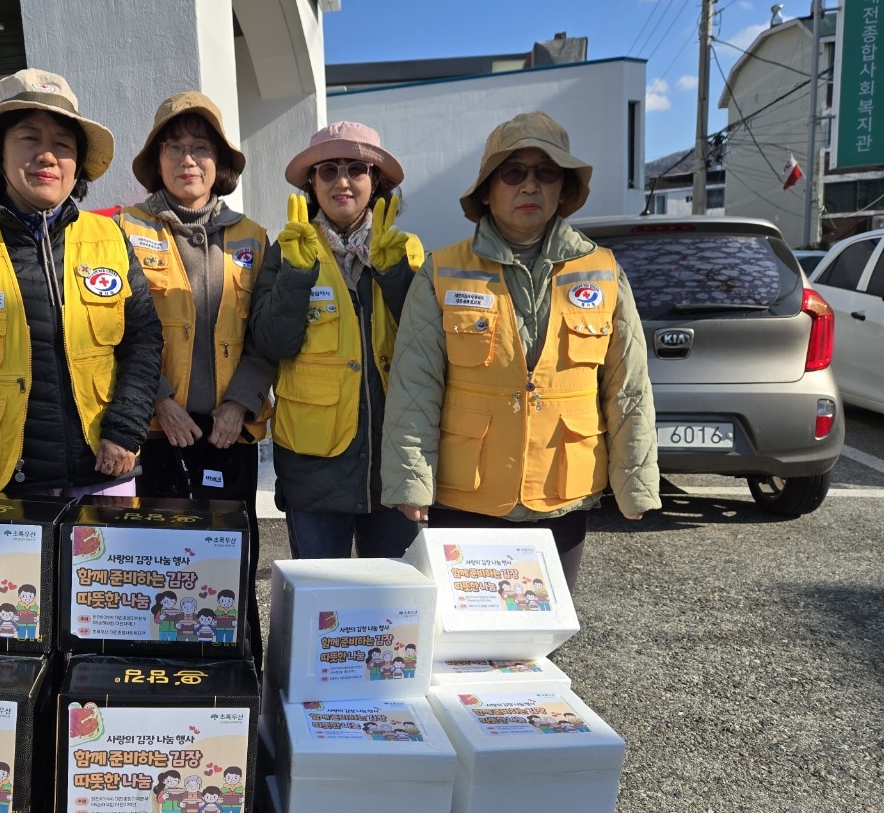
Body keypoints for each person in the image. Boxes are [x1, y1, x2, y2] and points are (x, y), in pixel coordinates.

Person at [380, 112, 660, 590]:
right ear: (488, 190)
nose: (530, 185)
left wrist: (636, 482)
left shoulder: (603, 270)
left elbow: (628, 387)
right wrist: (412, 481)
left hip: (563, 495)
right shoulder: (442, 270)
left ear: (563, 188)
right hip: (466, 497)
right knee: (468, 629)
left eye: (545, 172)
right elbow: (414, 386)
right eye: (513, 172)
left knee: (545, 629)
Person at [0, 68, 163, 496]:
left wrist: (125, 430)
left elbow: (143, 341)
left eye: (63, 144)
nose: (47, 156)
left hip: (105, 473)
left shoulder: (110, 237)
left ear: (78, 162)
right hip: (1, 482)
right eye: (29, 138)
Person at [118, 92, 271, 662]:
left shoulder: (253, 237)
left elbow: (265, 336)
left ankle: (238, 677)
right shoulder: (122, 231)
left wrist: (239, 403)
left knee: (231, 564)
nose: (188, 160)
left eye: (201, 148)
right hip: (158, 435)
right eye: (174, 147)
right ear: (155, 160)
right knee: (165, 570)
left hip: (230, 436)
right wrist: (158, 401)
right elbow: (113, 329)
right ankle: (168, 682)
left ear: (220, 162)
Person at [250, 122, 424, 559]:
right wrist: (296, 275)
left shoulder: (407, 249)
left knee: (392, 598)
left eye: (356, 169)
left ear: (376, 181)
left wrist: (394, 273)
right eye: (328, 170)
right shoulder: (287, 250)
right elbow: (271, 343)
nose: (342, 181)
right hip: (313, 467)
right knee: (320, 596)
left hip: (392, 461)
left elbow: (426, 343)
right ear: (312, 183)